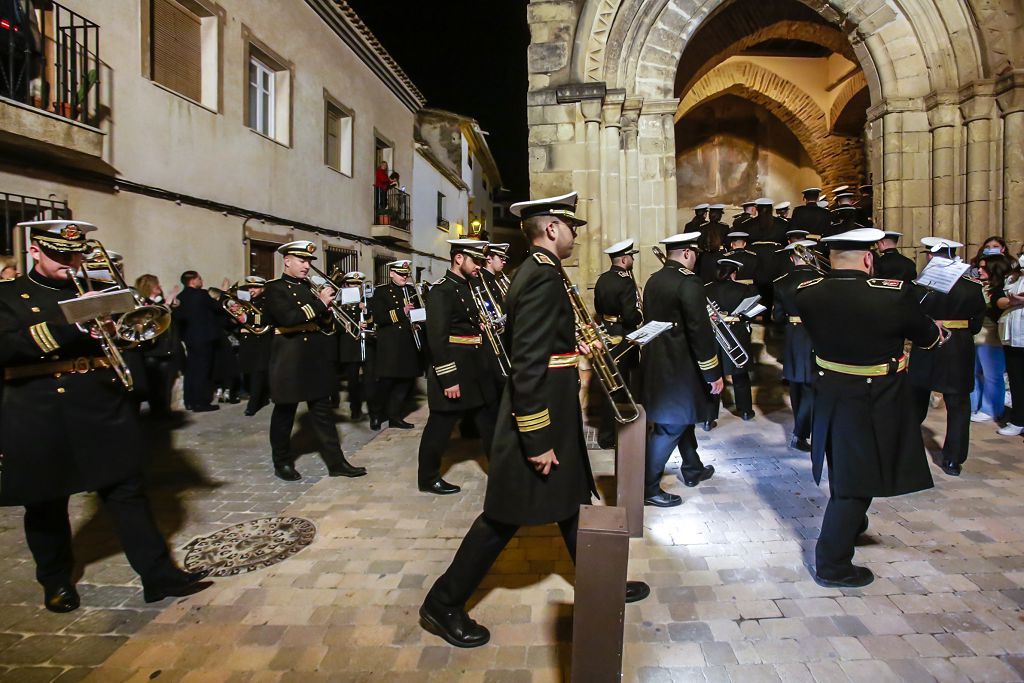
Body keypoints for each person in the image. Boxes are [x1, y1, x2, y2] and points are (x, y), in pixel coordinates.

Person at [419, 192, 649, 649]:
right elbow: (527, 364)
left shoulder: (541, 272)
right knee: (503, 518)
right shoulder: (542, 277)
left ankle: (598, 581)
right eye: (571, 226)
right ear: (550, 229)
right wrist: (538, 437)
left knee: (569, 502)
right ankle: (443, 603)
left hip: (553, 412)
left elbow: (543, 347)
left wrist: (570, 350)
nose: (576, 234)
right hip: (538, 419)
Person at [0, 220, 211, 612]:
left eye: (75, 255)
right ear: (34, 252)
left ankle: (157, 575)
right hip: (38, 405)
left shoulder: (95, 291)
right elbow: (7, 347)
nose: (69, 263)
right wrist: (68, 325)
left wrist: (118, 332)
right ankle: (55, 580)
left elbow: (130, 337)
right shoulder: (9, 295)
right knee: (45, 502)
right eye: (59, 256)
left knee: (126, 490)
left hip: (98, 402)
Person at [795, 227, 946, 588]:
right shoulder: (892, 294)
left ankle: (853, 526)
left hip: (832, 390)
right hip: (876, 394)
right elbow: (927, 338)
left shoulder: (807, 294)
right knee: (856, 481)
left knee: (847, 465)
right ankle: (832, 563)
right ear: (868, 258)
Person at [261, 241, 367, 482]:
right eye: (302, 261)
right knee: (285, 413)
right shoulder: (275, 288)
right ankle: (282, 462)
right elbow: (287, 318)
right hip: (289, 356)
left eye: (308, 261)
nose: (307, 266)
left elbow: (323, 325)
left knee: (323, 413)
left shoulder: (309, 287)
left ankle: (336, 462)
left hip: (314, 357)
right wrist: (320, 303)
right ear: (287, 261)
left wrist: (328, 313)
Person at [642, 232, 724, 507]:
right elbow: (699, 332)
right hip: (681, 368)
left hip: (658, 363)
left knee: (680, 420)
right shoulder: (689, 283)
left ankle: (692, 467)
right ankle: (647, 487)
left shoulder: (654, 280)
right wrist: (712, 374)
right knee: (670, 428)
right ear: (688, 254)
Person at [417, 240, 501, 495]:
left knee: (489, 422)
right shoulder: (441, 291)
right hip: (456, 368)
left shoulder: (470, 286)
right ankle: (428, 478)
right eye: (475, 261)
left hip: (477, 367)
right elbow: (437, 339)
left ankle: (501, 473)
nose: (480, 266)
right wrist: (448, 378)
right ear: (459, 258)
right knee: (440, 427)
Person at [908, 237, 987, 475]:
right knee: (958, 405)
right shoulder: (972, 286)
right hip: (958, 347)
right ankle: (953, 459)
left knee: (916, 400)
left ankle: (909, 448)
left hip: (926, 344)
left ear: (931, 257)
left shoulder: (919, 286)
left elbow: (910, 319)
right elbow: (975, 324)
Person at [593, 238, 643, 448]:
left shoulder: (603, 279)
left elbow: (597, 307)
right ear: (624, 259)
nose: (632, 259)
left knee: (611, 384)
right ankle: (617, 433)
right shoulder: (625, 281)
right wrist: (639, 316)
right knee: (623, 385)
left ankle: (608, 434)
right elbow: (631, 315)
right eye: (630, 256)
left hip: (607, 332)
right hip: (623, 335)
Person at [369, 260, 422, 430]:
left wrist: (420, 319)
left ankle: (394, 415)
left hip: (408, 342)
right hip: (390, 343)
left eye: (406, 274)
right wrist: (402, 311)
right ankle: (376, 414)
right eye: (400, 274)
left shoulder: (412, 290)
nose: (404, 277)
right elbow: (379, 317)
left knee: (405, 382)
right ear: (391, 273)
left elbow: (419, 311)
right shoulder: (382, 292)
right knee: (385, 383)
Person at [704, 256, 757, 423]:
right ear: (733, 273)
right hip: (736, 333)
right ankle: (746, 411)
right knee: (740, 375)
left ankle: (709, 417)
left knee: (713, 375)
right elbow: (752, 312)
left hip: (713, 334)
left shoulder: (705, 289)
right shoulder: (744, 289)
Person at [173, 270, 226, 412]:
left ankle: (189, 401)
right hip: (205, 338)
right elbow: (218, 308)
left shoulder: (181, 297)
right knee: (202, 371)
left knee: (191, 370)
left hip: (190, 339)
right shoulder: (202, 295)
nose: (202, 281)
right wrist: (223, 293)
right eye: (199, 279)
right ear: (193, 281)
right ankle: (201, 402)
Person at [971, 255, 1012, 423]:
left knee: (992, 375)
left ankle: (992, 409)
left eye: (983, 268)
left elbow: (1000, 303)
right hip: (975, 335)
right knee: (974, 373)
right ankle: (973, 405)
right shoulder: (979, 286)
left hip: (991, 337)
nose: (979, 270)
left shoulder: (999, 289)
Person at [134, 274, 180, 418]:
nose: (160, 287)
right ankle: (158, 413)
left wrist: (172, 303)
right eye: (156, 285)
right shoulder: (143, 304)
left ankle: (164, 410)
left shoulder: (160, 303)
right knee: (156, 385)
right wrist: (167, 303)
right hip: (153, 352)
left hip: (166, 350)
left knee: (167, 383)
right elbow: (153, 317)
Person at [993, 252, 1024, 436]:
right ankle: (1018, 419)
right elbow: (998, 298)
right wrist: (1011, 301)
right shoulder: (1012, 277)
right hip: (1012, 334)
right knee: (1016, 378)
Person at [233, 276, 273, 417]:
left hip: (260, 339)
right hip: (246, 340)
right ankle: (261, 398)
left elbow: (267, 317)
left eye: (255, 288)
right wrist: (236, 312)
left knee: (258, 372)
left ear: (262, 288)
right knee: (249, 371)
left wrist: (247, 318)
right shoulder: (246, 301)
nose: (251, 291)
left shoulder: (267, 301)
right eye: (250, 288)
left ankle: (253, 404)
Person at [336, 271, 369, 420]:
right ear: (346, 285)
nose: (356, 286)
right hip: (350, 345)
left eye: (358, 284)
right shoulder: (341, 302)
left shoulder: (367, 299)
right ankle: (355, 409)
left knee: (369, 379)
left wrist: (367, 313)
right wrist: (356, 324)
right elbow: (337, 327)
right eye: (352, 284)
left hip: (367, 344)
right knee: (353, 380)